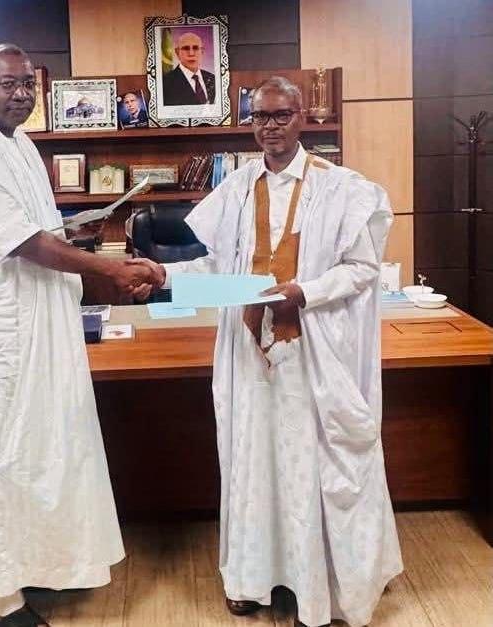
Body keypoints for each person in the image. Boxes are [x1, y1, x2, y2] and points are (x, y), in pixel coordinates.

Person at [132, 76, 403, 627]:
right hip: (248, 352)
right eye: (260, 117)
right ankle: (251, 579)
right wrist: (165, 275)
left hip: (312, 352)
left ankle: (317, 590)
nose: (270, 126)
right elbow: (219, 269)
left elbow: (361, 268)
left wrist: (307, 292)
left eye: (281, 115)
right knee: (252, 460)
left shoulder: (342, 188)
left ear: (302, 117)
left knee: (312, 464)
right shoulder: (235, 188)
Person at [0, 44, 158, 627]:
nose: (21, 94)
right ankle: (0, 597)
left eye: (28, 84)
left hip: (40, 328)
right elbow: (21, 242)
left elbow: (38, 229)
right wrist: (109, 269)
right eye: (8, 83)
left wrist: (75, 234)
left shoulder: (21, 144)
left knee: (39, 454)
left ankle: (28, 566)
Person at [162, 31, 216, 106]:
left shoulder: (213, 79)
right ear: (177, 52)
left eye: (195, 48)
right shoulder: (165, 83)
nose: (191, 53)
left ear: (202, 51)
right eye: (186, 48)